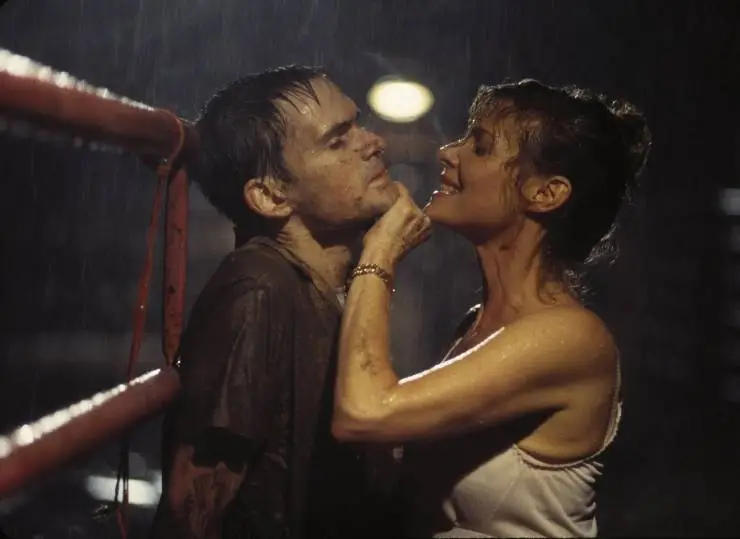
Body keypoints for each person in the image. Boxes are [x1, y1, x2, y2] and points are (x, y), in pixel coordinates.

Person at [332, 79, 651, 538]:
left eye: (480, 147)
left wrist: (380, 253)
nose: (447, 152)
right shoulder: (479, 323)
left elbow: (364, 413)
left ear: (546, 193)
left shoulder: (570, 338)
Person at [148, 65, 400, 539]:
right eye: (337, 141)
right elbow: (190, 512)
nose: (373, 142)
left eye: (358, 125)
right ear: (270, 195)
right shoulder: (257, 289)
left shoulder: (328, 283)